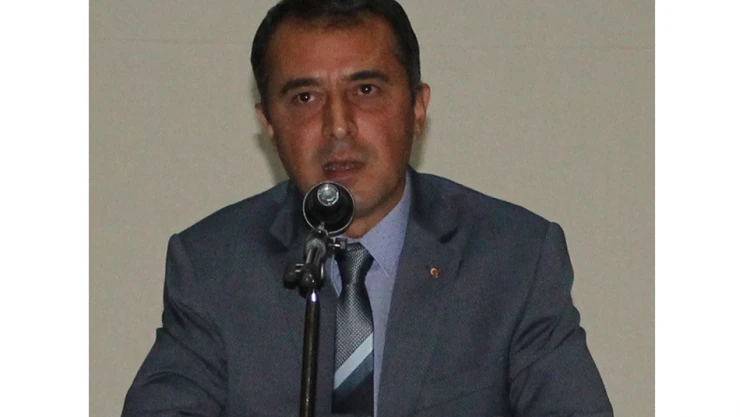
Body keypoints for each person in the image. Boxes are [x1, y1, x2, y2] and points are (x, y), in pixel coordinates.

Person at [122, 0, 613, 416]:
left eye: (366, 91)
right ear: (268, 122)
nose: (338, 126)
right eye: (306, 97)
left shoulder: (513, 259)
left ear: (417, 108)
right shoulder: (212, 266)